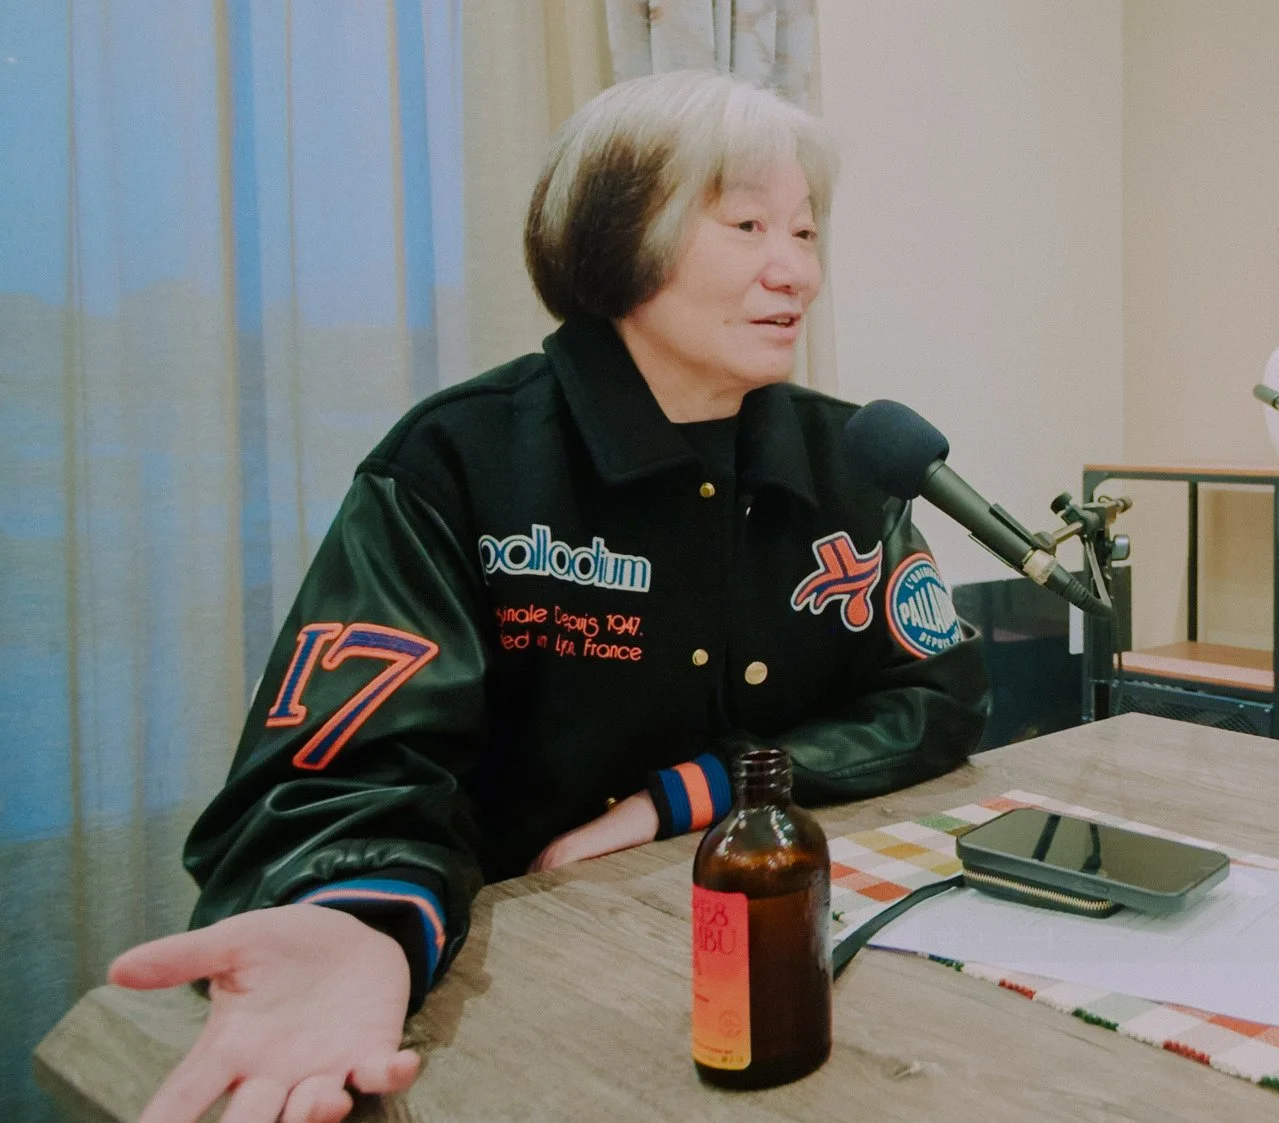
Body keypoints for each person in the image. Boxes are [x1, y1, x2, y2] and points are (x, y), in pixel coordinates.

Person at [108, 70, 990, 1123]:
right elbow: (340, 772)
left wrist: (695, 795)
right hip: (502, 992)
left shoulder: (846, 459)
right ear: (620, 238)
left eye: (804, 234)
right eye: (747, 224)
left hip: (787, 951)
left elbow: (933, 694)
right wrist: (355, 921)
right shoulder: (459, 462)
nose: (793, 271)